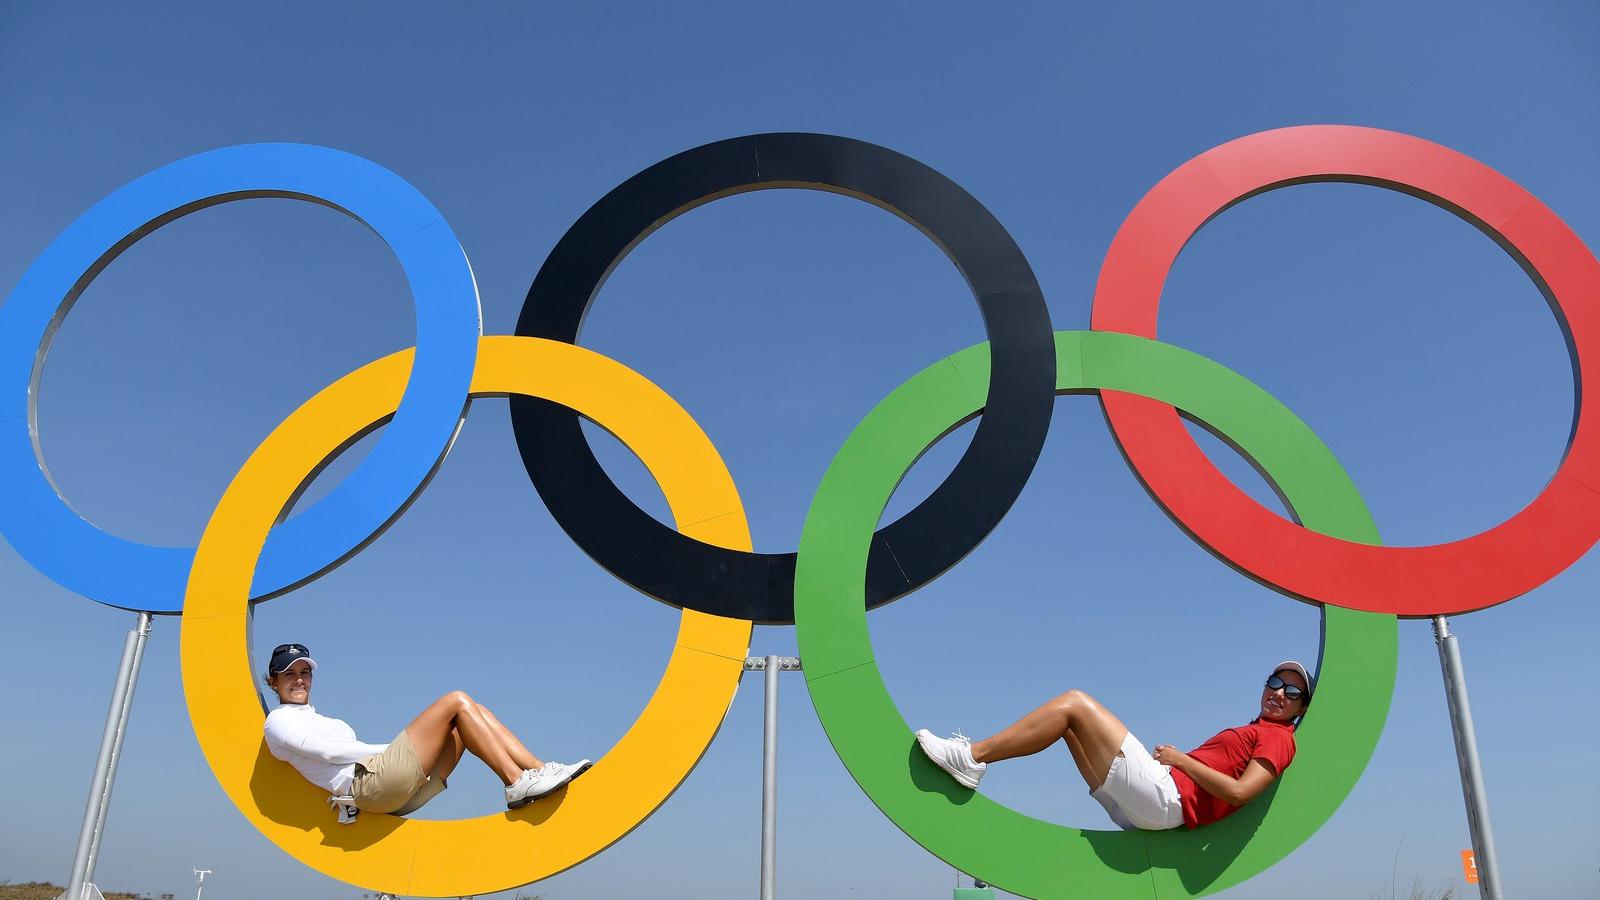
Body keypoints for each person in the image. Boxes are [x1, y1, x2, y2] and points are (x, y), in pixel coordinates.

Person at [915, 661, 1311, 831]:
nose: (1279, 693)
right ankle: (973, 761)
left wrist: (1181, 761)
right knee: (1068, 727)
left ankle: (972, 758)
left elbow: (1241, 792)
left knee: (1074, 701)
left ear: (1300, 708)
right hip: (1153, 806)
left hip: (1166, 797)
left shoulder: (1279, 738)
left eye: (1291, 691)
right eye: (1275, 682)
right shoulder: (1259, 728)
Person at [261, 643, 590, 815]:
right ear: (273, 682)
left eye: (305, 672)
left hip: (395, 792)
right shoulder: (278, 721)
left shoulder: (319, 719)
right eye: (289, 674)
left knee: (473, 713)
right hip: (369, 788)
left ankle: (539, 771)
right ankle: (515, 781)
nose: (300, 679)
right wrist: (387, 752)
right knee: (456, 700)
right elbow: (328, 753)